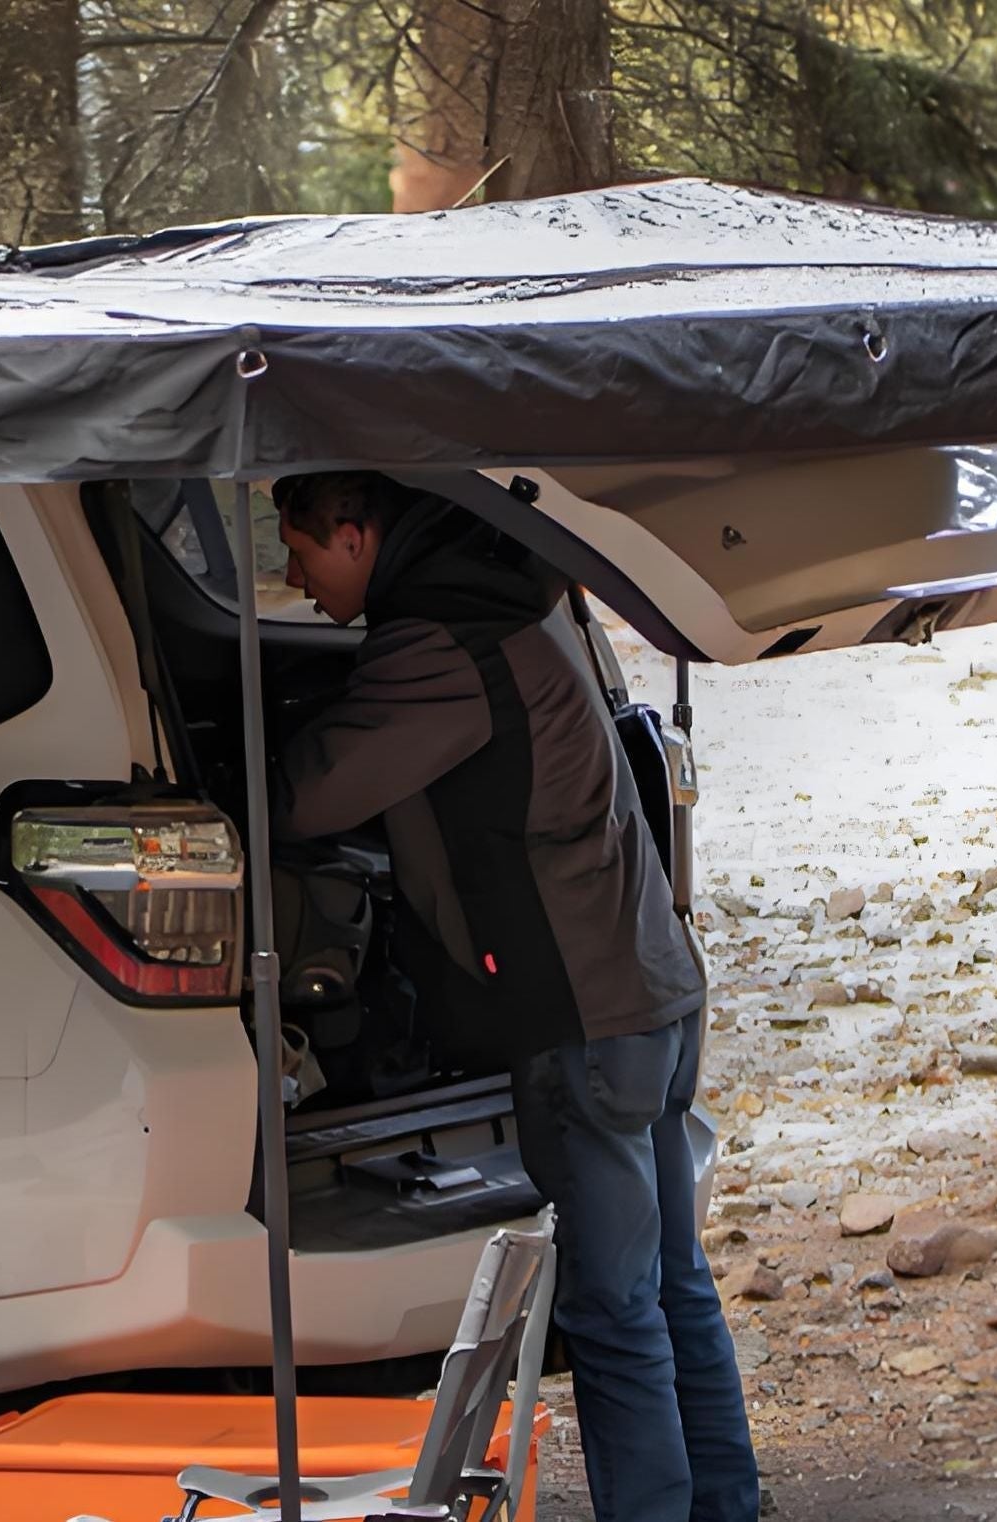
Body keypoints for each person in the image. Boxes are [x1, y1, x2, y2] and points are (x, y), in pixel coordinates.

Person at [268, 471, 758, 1522]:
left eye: (299, 555)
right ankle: (724, 1505)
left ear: (353, 535)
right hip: (656, 986)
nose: (295, 582)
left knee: (614, 1307)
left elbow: (311, 793)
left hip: (585, 1017)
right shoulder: (519, 585)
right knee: (673, 1281)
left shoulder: (438, 639)